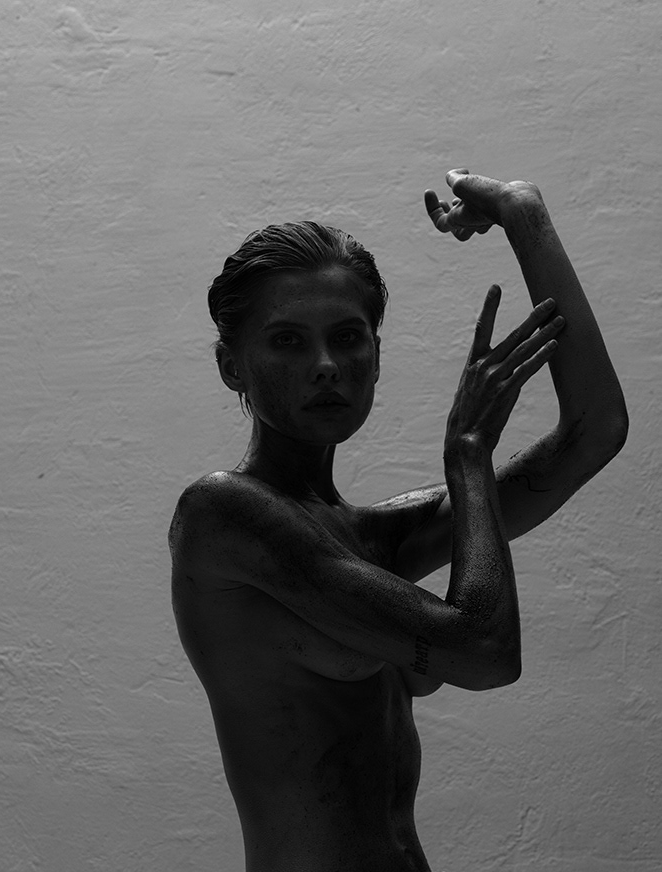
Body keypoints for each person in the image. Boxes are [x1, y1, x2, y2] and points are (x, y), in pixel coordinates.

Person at [168, 169, 628, 872]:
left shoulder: (365, 538)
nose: (327, 365)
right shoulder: (223, 514)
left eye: (348, 337)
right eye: (288, 341)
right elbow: (483, 652)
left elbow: (594, 432)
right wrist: (468, 455)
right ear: (233, 366)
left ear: (377, 355)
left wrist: (523, 216)